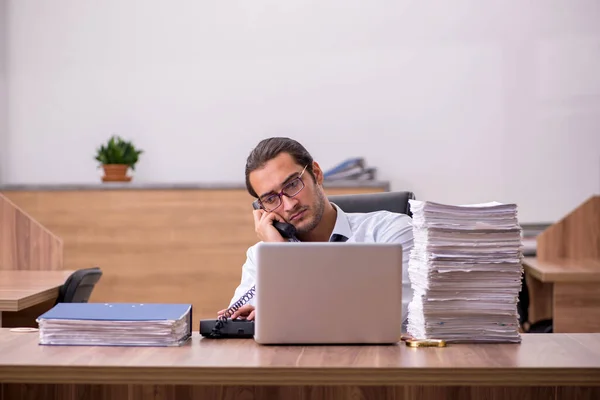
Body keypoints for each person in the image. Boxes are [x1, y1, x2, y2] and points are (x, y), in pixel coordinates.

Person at [218, 137, 414, 325]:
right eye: (270, 199)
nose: (288, 205)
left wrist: (285, 306)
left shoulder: (391, 232)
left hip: (378, 359)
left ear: (317, 174)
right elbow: (238, 324)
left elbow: (384, 317)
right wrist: (278, 253)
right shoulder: (262, 254)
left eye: (293, 184)